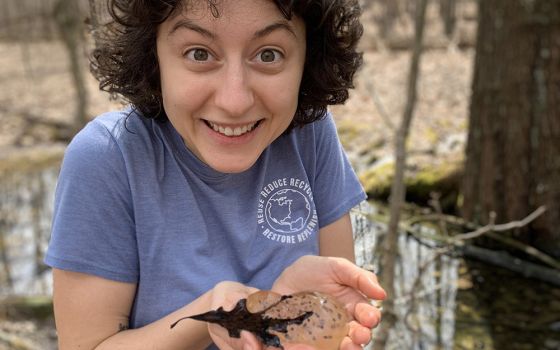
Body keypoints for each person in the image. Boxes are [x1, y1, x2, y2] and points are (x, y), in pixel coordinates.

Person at [45, 0, 386, 349]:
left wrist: (310, 307)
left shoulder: (310, 133)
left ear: (308, 60)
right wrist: (212, 312)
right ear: (153, 55)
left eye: (268, 55)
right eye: (198, 53)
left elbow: (335, 320)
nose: (234, 101)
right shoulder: (108, 156)